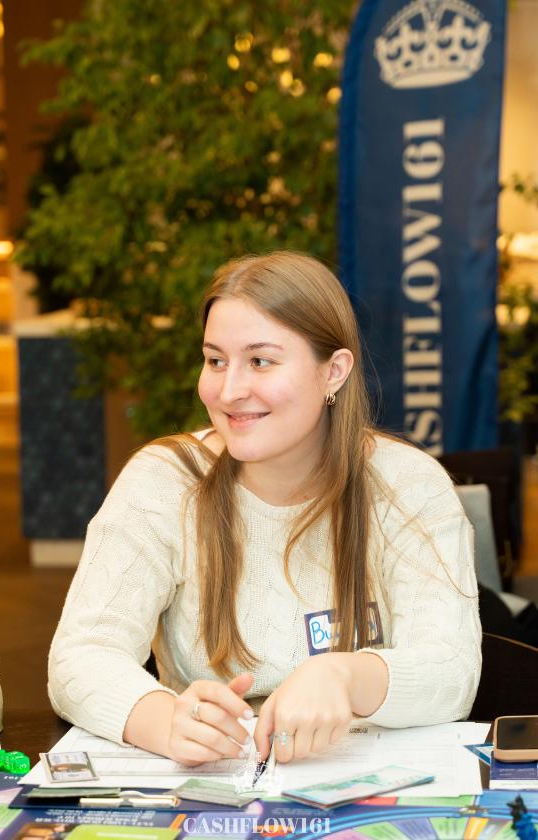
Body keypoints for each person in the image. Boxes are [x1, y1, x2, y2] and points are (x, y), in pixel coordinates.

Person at [48, 251, 482, 767]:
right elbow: (80, 656)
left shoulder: (407, 485)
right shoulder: (164, 482)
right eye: (216, 361)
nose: (229, 391)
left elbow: (451, 671)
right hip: (212, 787)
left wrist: (345, 676)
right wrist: (162, 719)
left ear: (334, 372)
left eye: (260, 361)